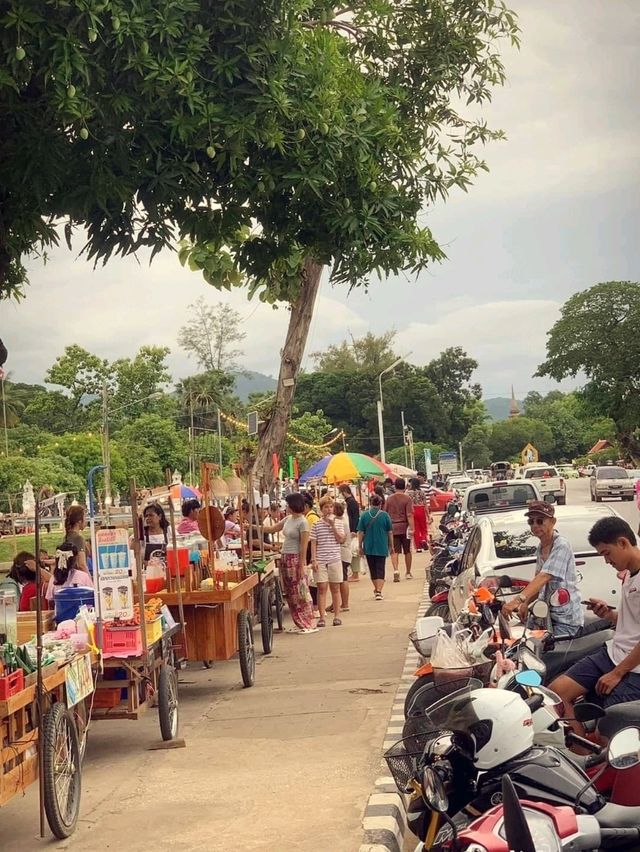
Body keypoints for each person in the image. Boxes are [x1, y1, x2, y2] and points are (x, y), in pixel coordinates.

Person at [550, 517, 640, 725]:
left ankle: (597, 755)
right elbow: (633, 623)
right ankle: (579, 757)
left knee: (607, 729)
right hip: (613, 653)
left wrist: (617, 673)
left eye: (607, 554)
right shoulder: (628, 574)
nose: (607, 561)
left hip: (634, 669)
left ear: (623, 543)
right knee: (556, 694)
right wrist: (608, 615)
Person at [501, 501, 583, 637]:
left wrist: (517, 600)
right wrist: (525, 603)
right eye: (531, 521)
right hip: (546, 618)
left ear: (553, 522)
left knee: (541, 653)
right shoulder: (541, 548)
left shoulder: (561, 545)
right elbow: (538, 584)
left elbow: (544, 576)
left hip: (565, 621)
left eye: (540, 521)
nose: (535, 525)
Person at [268, 493, 317, 634]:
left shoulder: (303, 522)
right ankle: (299, 621)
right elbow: (273, 529)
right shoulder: (288, 519)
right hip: (285, 557)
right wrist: (252, 527)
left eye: (288, 504)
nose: (286, 506)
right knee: (290, 592)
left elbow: (303, 546)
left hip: (295, 558)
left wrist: (302, 565)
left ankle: (308, 622)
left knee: (300, 591)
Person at [310, 498, 345, 627]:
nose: (329, 509)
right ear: (321, 509)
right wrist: (314, 559)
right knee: (321, 588)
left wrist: (333, 526)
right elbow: (314, 543)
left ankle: (336, 616)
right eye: (326, 507)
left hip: (334, 558)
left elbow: (341, 539)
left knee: (335, 588)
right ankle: (322, 616)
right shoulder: (316, 524)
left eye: (331, 507)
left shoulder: (339, 522)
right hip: (321, 559)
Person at [357, 494, 393, 600]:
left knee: (372, 569)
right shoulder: (385, 515)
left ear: (370, 503)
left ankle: (376, 589)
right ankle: (379, 591)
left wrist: (360, 546)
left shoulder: (364, 515)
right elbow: (390, 532)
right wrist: (391, 545)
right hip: (382, 545)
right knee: (380, 568)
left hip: (369, 545)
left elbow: (360, 532)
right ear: (381, 503)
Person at [384, 478, 414, 581]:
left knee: (394, 550)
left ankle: (396, 570)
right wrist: (412, 528)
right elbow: (409, 514)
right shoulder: (407, 499)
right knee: (407, 551)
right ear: (405, 487)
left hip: (393, 527)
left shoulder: (389, 499)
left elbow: (385, 513)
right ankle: (408, 572)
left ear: (395, 486)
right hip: (405, 527)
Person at [302, 492, 321, 617]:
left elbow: (311, 538)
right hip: (312, 552)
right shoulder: (309, 517)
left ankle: (316, 608)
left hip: (313, 553)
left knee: (313, 582)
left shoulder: (311, 518)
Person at [338, 484, 361, 581]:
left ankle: (355, 574)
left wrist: (354, 530)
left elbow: (355, 517)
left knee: (353, 552)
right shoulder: (349, 502)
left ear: (343, 492)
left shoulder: (351, 502)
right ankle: (354, 572)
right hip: (350, 530)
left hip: (352, 530)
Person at [332, 503, 351, 612]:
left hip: (342, 552)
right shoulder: (343, 521)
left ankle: (345, 603)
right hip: (343, 552)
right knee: (339, 579)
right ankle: (338, 602)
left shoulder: (340, 523)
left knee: (343, 578)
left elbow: (341, 538)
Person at [406, 477, 429, 553]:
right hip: (421, 509)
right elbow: (425, 504)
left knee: (415, 529)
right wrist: (428, 515)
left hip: (412, 510)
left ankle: (418, 547)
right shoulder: (422, 492)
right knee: (423, 527)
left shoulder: (408, 493)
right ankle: (423, 539)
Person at [64, 505, 90, 572]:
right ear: (79, 521)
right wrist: (90, 580)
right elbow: (82, 564)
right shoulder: (78, 539)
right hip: (80, 576)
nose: (86, 521)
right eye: (85, 518)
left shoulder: (67, 537)